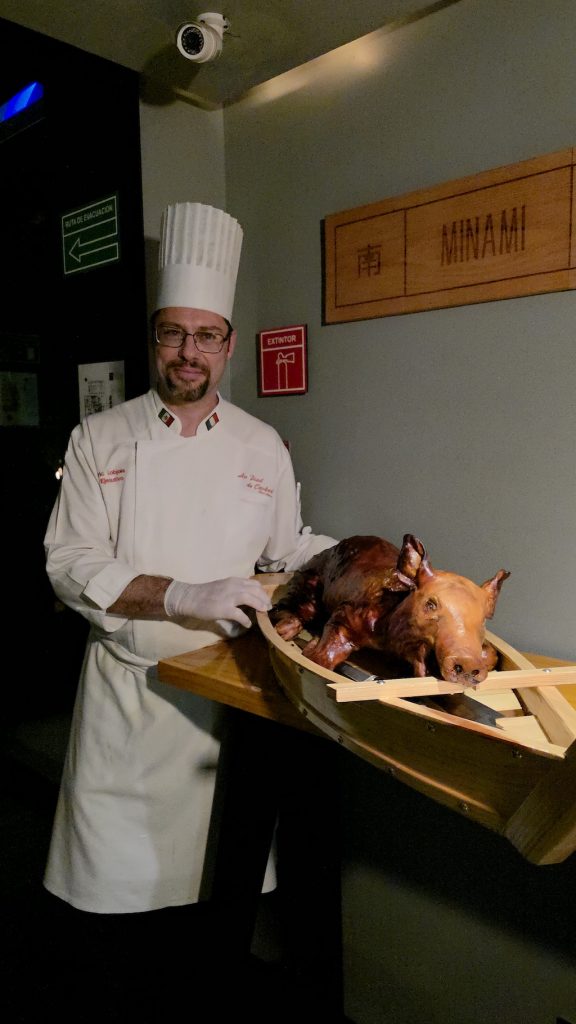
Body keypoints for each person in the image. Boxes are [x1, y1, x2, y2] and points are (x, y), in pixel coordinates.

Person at [40, 202, 336, 1019]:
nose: (188, 353)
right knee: (111, 921)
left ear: (229, 345)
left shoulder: (261, 445)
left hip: (225, 713)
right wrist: (177, 594)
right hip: (128, 704)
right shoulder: (99, 438)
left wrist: (344, 559)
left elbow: (282, 551)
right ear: (153, 339)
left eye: (206, 336)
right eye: (173, 333)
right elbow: (69, 562)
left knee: (213, 911)